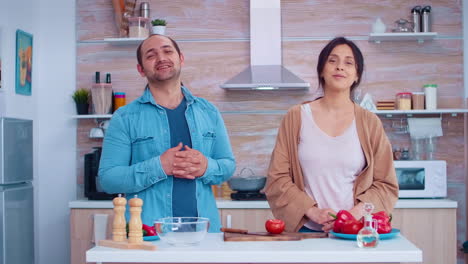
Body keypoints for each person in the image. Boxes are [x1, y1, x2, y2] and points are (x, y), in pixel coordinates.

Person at [98, 34, 236, 232]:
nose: (161, 58)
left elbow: (228, 165)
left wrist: (206, 166)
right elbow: (109, 179)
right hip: (148, 235)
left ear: (181, 58)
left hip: (205, 234)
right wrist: (159, 166)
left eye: (167, 51)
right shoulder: (125, 117)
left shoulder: (209, 112)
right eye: (151, 55)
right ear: (140, 69)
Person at [264, 37, 398, 233]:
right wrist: (312, 211)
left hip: (354, 230)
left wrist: (353, 214)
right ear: (321, 70)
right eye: (332, 60)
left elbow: (386, 184)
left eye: (348, 62)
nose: (340, 67)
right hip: (305, 230)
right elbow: (277, 178)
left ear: (356, 75)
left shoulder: (370, 123)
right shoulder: (296, 117)